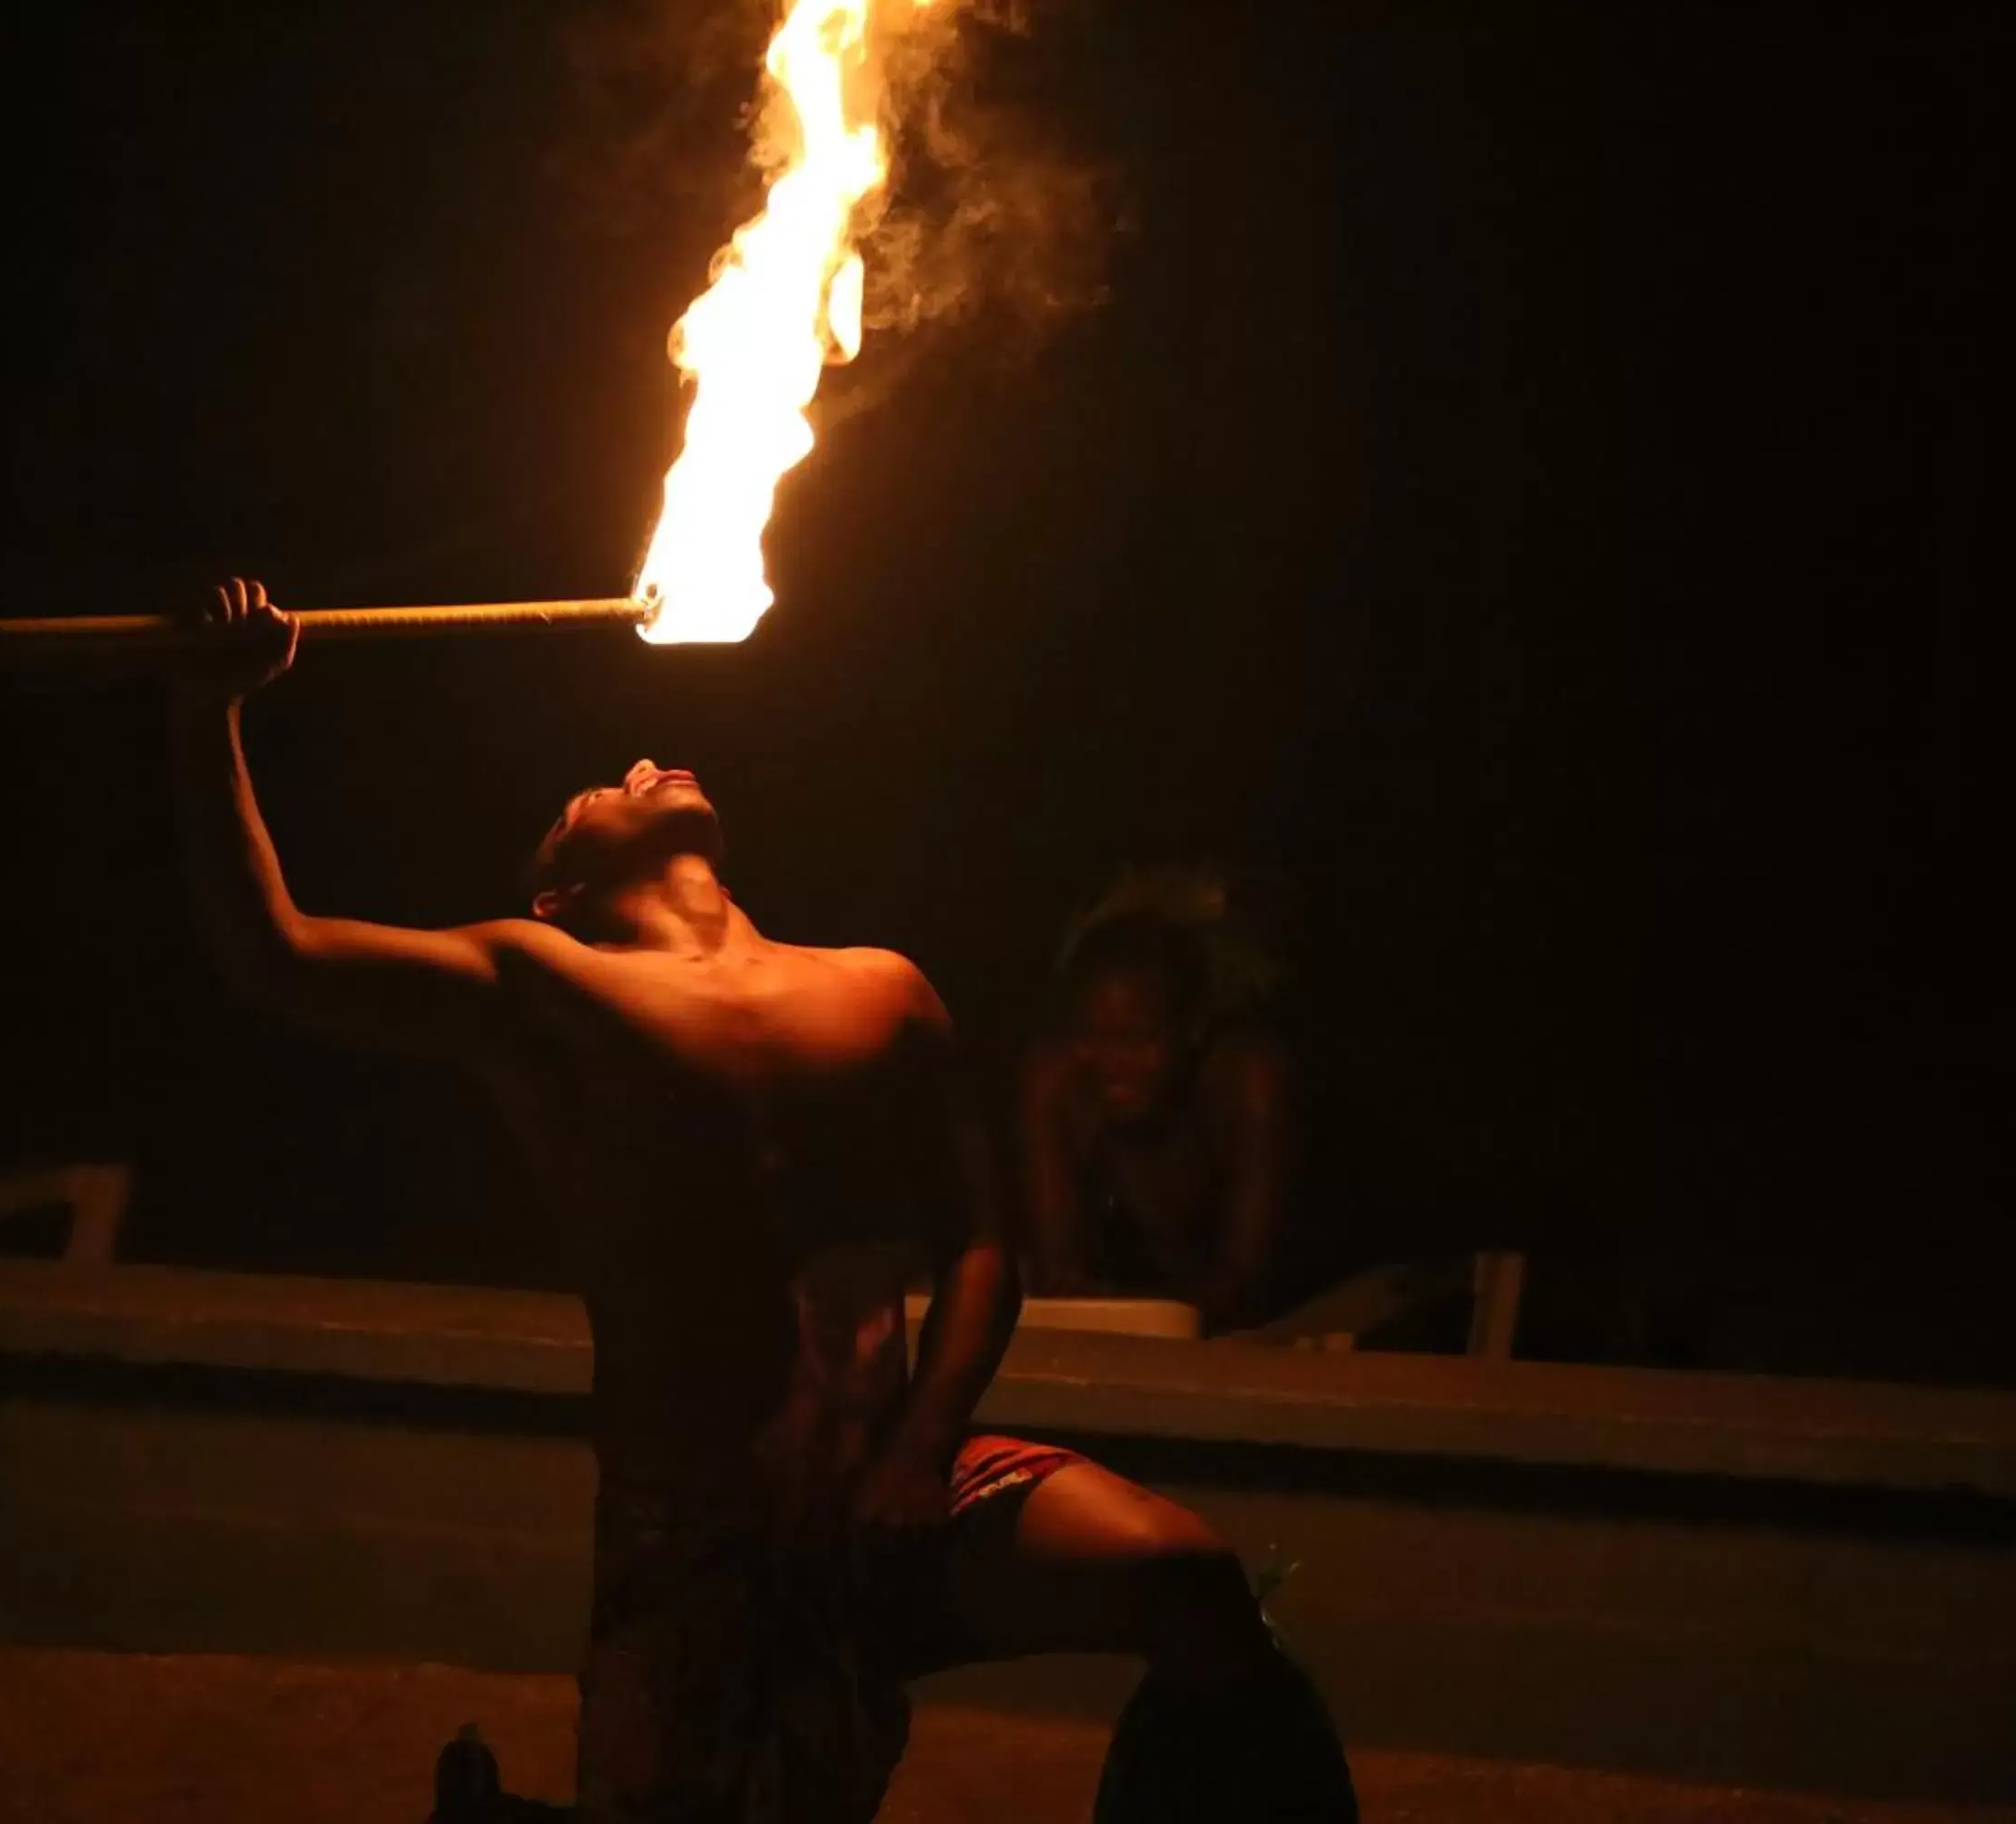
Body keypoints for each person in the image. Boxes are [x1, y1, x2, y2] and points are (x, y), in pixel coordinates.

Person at [170, 581, 1354, 1823]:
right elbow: (272, 951)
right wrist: (213, 711)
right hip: (701, 1534)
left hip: (897, 1494)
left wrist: (916, 1445)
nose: (641, 761)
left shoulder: (881, 989)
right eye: (599, 788)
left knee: (1190, 1578)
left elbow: (983, 1244)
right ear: (558, 892)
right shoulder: (550, 991)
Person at [1020, 882, 1299, 1334]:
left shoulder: (1246, 1084)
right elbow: (1058, 1274)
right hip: (1137, 1325)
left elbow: (1248, 1281)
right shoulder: (1055, 1084)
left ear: (1192, 1029)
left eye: (1137, 1039)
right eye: (1091, 1037)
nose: (1111, 1064)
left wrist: (1132, 1313)